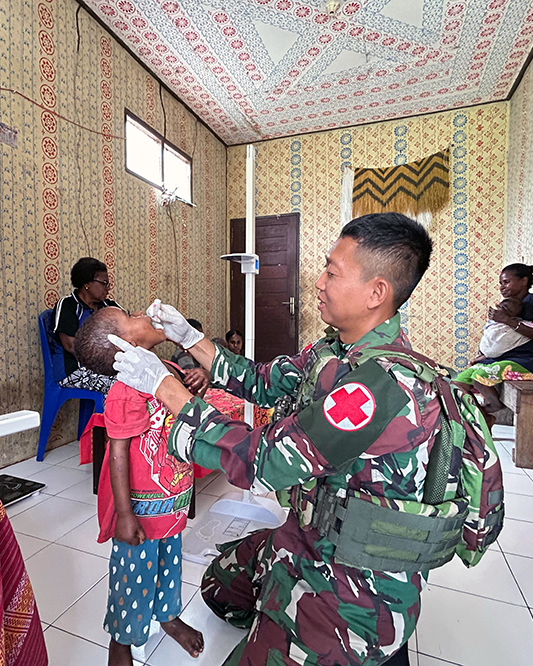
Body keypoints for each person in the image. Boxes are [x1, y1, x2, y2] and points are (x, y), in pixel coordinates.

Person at [109, 213, 443, 666]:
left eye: (331, 272)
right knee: (217, 584)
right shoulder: (334, 351)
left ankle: (329, 639)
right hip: (308, 532)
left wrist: (167, 390)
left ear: (376, 292)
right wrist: (193, 340)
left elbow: (265, 463)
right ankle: (280, 616)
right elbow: (262, 380)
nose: (319, 282)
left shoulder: (380, 385)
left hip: (357, 579)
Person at [73, 308, 205, 666]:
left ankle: (168, 617)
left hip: (173, 498)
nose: (141, 312)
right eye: (131, 315)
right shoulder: (125, 391)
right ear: (127, 344)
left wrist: (198, 378)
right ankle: (122, 641)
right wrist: (126, 514)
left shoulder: (164, 371)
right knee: (133, 576)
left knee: (170, 565)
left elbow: (187, 405)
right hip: (142, 510)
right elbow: (116, 452)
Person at [464, 264, 533, 413]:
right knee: (462, 380)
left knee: (479, 376)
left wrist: (506, 320)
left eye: (506, 282)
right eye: (501, 283)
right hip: (510, 359)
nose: (502, 287)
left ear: (523, 281)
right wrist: (483, 355)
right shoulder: (509, 306)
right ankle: (481, 414)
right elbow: (502, 339)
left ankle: (492, 407)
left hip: (530, 362)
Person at [53, 257, 121, 394]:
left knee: (145, 378)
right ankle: (109, 416)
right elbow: (70, 346)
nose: (107, 289)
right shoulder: (68, 305)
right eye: (104, 283)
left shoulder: (108, 306)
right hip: (74, 370)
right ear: (87, 283)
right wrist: (105, 363)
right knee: (123, 386)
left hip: (106, 367)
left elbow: (129, 327)